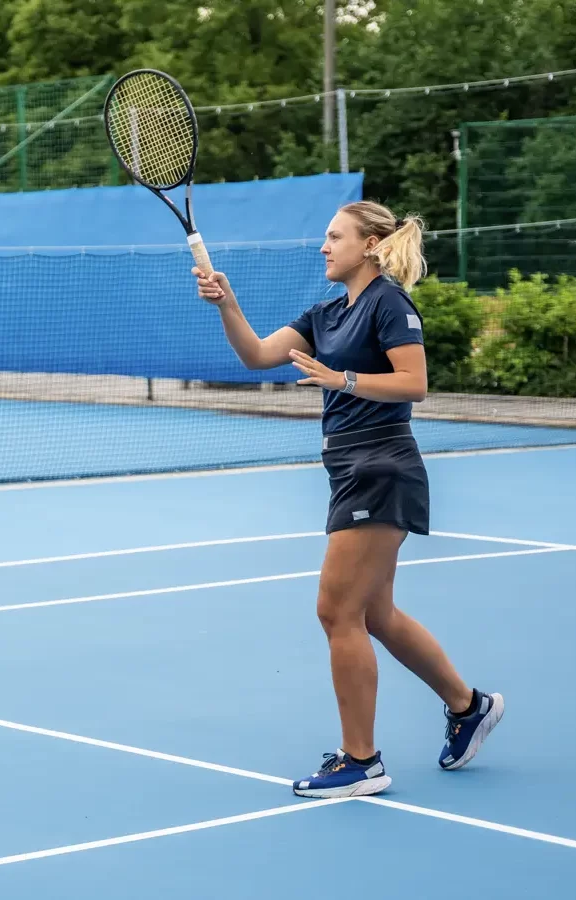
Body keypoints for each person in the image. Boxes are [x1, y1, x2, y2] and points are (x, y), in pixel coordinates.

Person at [192, 200, 503, 799]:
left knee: (337, 613)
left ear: (369, 246)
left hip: (381, 468)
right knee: (376, 615)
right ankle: (469, 707)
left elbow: (415, 383)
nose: (324, 246)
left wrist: (344, 380)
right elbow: (257, 355)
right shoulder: (329, 313)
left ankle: (361, 760)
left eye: (335, 237)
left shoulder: (389, 304)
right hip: (350, 469)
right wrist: (227, 303)